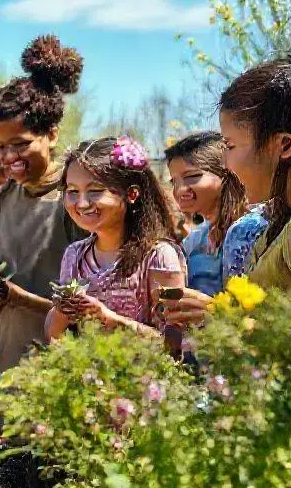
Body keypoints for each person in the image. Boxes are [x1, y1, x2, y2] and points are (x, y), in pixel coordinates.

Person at [0, 34, 88, 373]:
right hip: (12, 353)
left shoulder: (76, 196)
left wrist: (17, 298)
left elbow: (95, 294)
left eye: (21, 144)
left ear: (51, 134)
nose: (9, 157)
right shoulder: (1, 202)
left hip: (68, 362)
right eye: (0, 146)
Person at [162, 56, 291, 325]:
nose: (225, 164)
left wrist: (221, 316)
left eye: (230, 146)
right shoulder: (276, 224)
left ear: (285, 145)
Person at [45, 137, 187, 341]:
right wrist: (62, 310)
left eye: (95, 191)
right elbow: (55, 336)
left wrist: (108, 319)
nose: (82, 203)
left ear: (131, 194)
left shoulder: (159, 256)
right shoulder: (74, 255)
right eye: (73, 191)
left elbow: (173, 345)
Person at [165, 131, 250, 296]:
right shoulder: (193, 242)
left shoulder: (255, 230)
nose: (180, 190)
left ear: (227, 174)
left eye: (192, 176)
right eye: (173, 181)